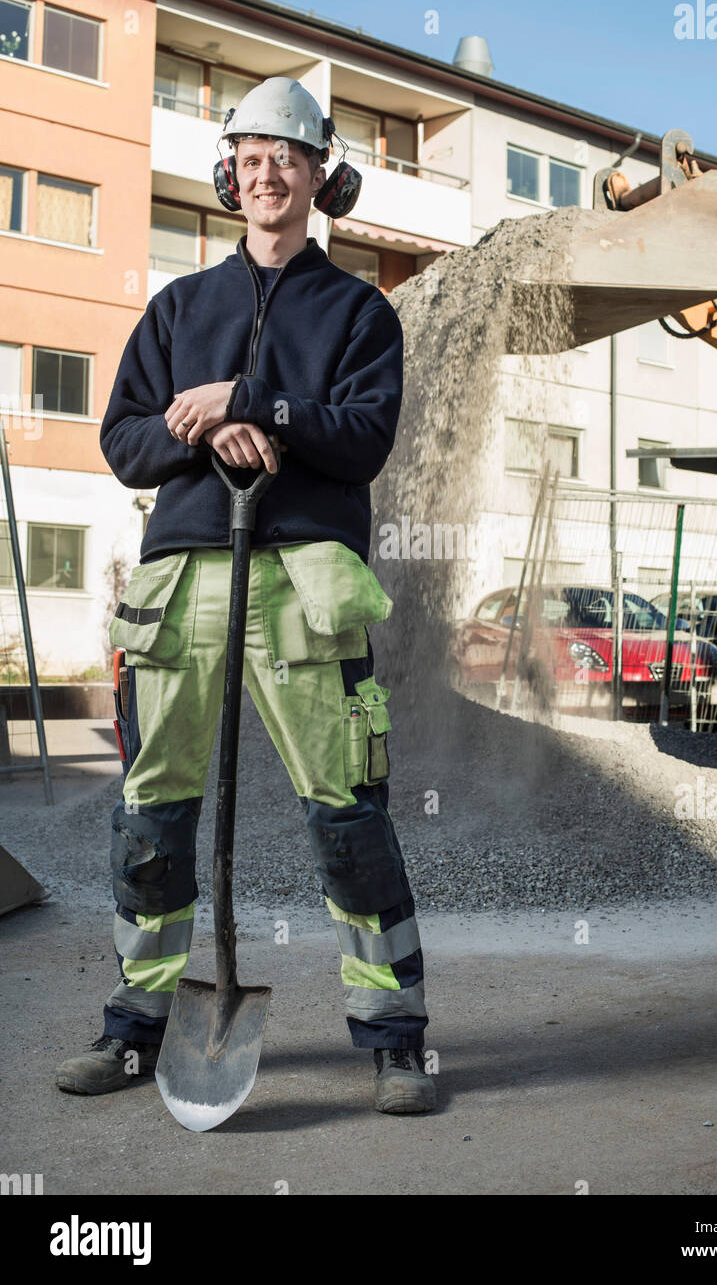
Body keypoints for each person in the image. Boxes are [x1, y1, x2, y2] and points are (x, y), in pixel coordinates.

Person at [55, 77, 435, 1116]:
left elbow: (361, 438)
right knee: (150, 818)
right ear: (230, 177)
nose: (268, 175)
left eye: (289, 159)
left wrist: (254, 399)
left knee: (348, 817)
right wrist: (204, 428)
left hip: (305, 588)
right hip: (182, 586)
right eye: (250, 159)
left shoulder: (359, 312)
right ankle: (135, 1027)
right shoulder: (179, 307)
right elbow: (123, 436)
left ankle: (395, 1037)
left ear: (321, 178)